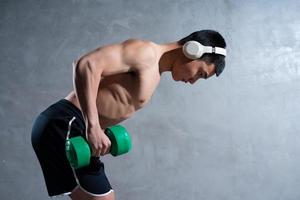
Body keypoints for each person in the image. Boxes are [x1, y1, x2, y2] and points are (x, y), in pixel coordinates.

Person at [31, 29, 227, 200]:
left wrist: (100, 132)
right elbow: (86, 64)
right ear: (192, 50)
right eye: (200, 73)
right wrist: (93, 127)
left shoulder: (155, 72)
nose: (193, 81)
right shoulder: (146, 53)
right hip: (65, 123)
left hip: (79, 131)